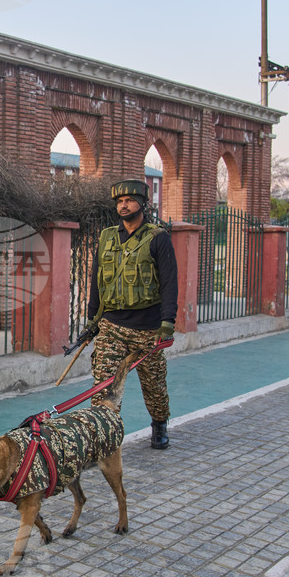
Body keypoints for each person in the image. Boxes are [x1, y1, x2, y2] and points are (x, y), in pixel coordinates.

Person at [87, 179, 178, 450]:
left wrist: (167, 323)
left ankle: (159, 425)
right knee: (104, 386)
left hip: (148, 329)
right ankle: (104, 437)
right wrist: (93, 320)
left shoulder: (157, 238)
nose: (123, 205)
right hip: (112, 326)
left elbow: (169, 282)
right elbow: (96, 281)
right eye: (119, 201)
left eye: (129, 200)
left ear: (142, 203)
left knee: (154, 385)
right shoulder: (106, 238)